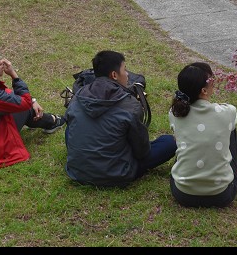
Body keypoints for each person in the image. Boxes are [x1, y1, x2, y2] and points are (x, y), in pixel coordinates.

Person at [64, 50, 176, 187]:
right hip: (118, 173)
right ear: (114, 75)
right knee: (169, 142)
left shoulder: (78, 97)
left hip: (77, 172)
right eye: (125, 69)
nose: (127, 74)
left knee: (73, 127)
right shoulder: (130, 105)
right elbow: (142, 151)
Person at [168, 62, 237, 208]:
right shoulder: (227, 112)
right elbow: (229, 120)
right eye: (212, 80)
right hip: (222, 195)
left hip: (183, 194)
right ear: (204, 90)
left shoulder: (175, 113)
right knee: (230, 128)